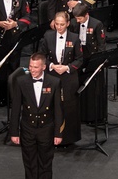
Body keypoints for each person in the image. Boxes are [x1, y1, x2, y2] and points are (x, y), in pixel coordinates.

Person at [8, 52, 64, 179]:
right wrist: (14, 132)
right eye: (31, 66)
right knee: (30, 163)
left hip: (47, 128)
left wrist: (58, 133)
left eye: (35, 67)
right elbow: (16, 109)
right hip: (27, 129)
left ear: (44, 67)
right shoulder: (21, 81)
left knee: (45, 163)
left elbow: (59, 110)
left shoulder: (54, 82)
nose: (32, 70)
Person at [36, 11, 84, 145]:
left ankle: (69, 138)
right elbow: (41, 55)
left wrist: (67, 67)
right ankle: (51, 137)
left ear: (68, 24)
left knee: (69, 107)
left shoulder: (75, 38)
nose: (59, 27)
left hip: (68, 77)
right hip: (52, 76)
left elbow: (79, 60)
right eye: (57, 24)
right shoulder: (48, 36)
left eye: (62, 24)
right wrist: (51, 65)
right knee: (51, 106)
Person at [72, 3, 107, 124]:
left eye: (80, 18)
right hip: (79, 57)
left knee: (92, 87)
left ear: (86, 15)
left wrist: (99, 62)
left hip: (92, 57)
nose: (77, 20)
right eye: (76, 18)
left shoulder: (96, 24)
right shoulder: (74, 23)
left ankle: (93, 116)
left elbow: (101, 45)